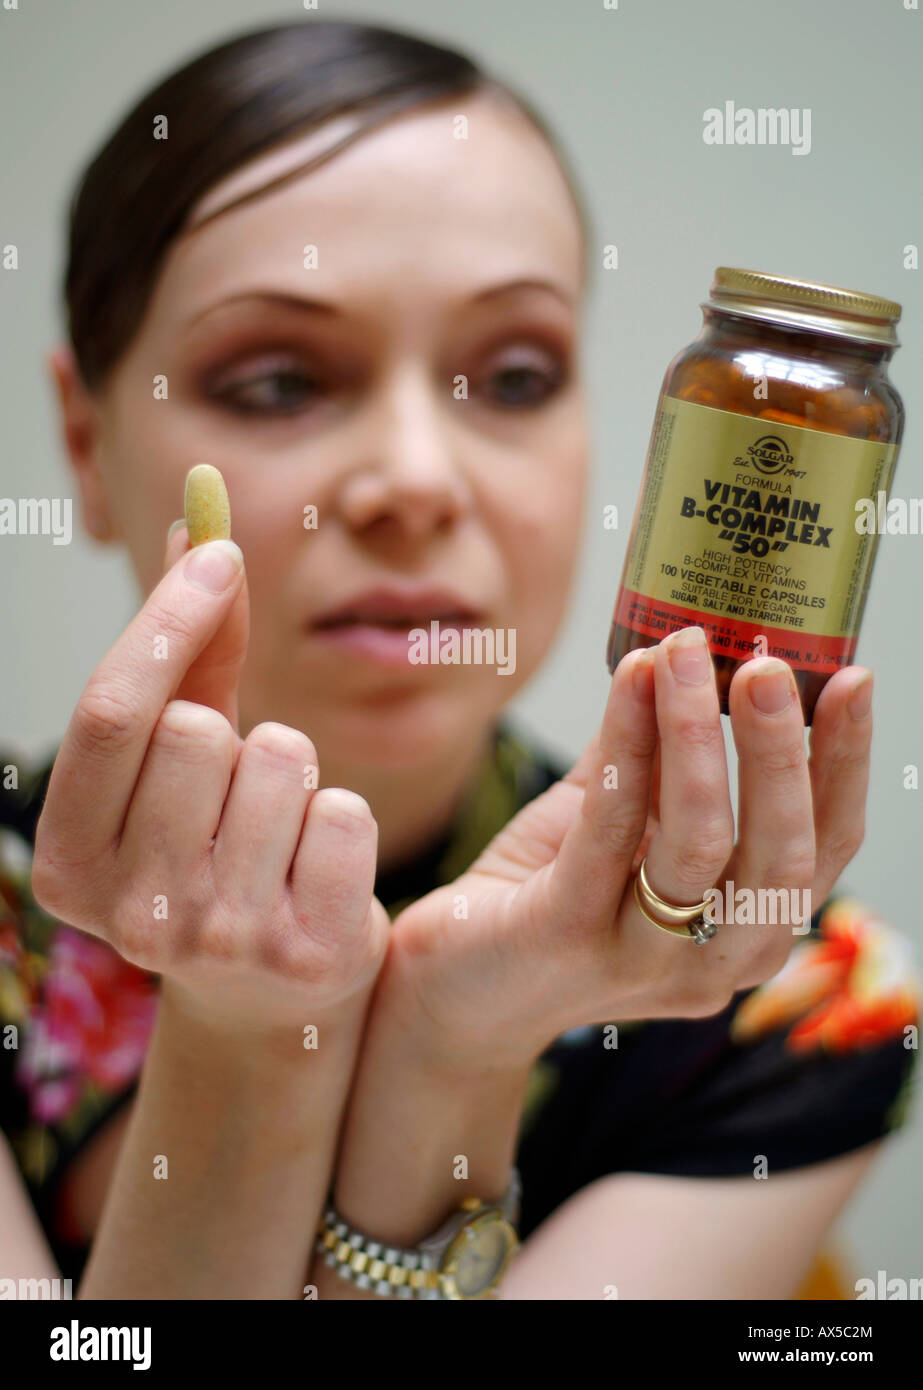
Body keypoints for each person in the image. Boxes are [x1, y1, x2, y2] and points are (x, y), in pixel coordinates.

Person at [0, 18, 917, 1301]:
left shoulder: (787, 995)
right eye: (276, 380)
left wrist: (453, 1035)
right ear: (86, 446)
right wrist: (250, 1036)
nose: (416, 483)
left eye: (513, 373)